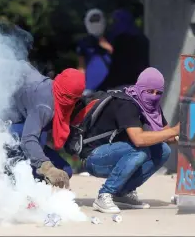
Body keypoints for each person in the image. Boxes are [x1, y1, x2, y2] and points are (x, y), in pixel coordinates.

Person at [71, 67, 179, 213]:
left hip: (118, 152)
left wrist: (187, 133)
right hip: (94, 158)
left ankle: (123, 193)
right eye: (150, 91)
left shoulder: (151, 107)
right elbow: (139, 139)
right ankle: (105, 195)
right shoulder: (126, 103)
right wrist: (173, 131)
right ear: (141, 87)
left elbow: (168, 136)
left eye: (158, 93)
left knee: (163, 150)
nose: (154, 96)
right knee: (140, 150)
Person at [6, 67, 85, 188]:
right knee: (27, 166)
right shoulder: (45, 107)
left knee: (65, 171)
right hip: (7, 129)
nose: (71, 102)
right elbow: (28, 138)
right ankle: (8, 177)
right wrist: (46, 168)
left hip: (27, 129)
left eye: (75, 99)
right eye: (70, 97)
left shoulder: (57, 92)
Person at [99, 9, 149, 91]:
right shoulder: (142, 38)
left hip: (121, 84)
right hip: (138, 83)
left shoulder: (120, 39)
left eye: (115, 21)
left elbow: (118, 62)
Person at [77, 8, 113, 95]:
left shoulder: (111, 38)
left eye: (97, 20)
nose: (95, 23)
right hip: (90, 88)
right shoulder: (84, 42)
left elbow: (119, 59)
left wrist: (106, 45)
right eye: (92, 20)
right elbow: (81, 66)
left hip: (110, 87)